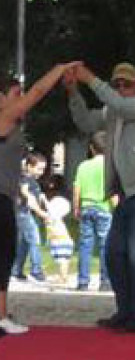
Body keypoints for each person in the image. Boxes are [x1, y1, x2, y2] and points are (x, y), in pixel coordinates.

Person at [66, 61, 135, 334]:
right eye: (118, 84)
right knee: (114, 253)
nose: (122, 88)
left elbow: (121, 105)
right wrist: (73, 93)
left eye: (128, 83)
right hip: (128, 191)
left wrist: (90, 79)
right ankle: (125, 311)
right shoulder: (114, 110)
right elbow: (85, 122)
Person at [1, 64, 74, 335]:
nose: (21, 99)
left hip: (5, 195)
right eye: (15, 94)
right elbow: (39, 91)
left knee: (5, 256)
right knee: (3, 257)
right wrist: (59, 69)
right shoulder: (5, 118)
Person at [73, 132, 115, 291]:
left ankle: (83, 281)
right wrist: (116, 207)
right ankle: (105, 281)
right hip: (103, 208)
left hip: (86, 207)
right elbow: (112, 190)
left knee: (85, 245)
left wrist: (76, 208)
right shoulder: (110, 167)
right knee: (105, 246)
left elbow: (77, 189)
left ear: (91, 148)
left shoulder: (83, 166)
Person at [12, 151, 48, 286]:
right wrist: (41, 213)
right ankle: (36, 271)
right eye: (39, 169)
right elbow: (26, 193)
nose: (41, 172)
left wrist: (44, 202)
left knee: (24, 243)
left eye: (43, 169)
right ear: (29, 166)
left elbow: (38, 195)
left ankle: (16, 271)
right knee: (34, 239)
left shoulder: (31, 180)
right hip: (23, 213)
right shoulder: (25, 178)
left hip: (23, 213)